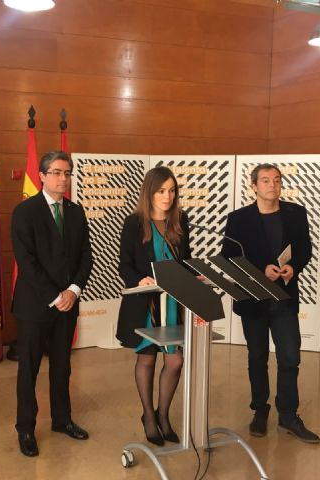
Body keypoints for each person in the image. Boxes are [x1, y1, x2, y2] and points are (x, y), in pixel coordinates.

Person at [221, 163, 320, 444]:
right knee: (257, 357)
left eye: (276, 180)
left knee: (290, 356)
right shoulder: (238, 219)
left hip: (284, 298)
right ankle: (260, 410)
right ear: (253, 186)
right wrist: (259, 270)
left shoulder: (295, 213)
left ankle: (288, 415)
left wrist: (294, 268)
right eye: (265, 180)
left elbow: (304, 249)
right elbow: (229, 256)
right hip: (253, 299)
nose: (272, 185)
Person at [11, 151, 93, 457]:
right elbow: (26, 262)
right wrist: (56, 296)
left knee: (62, 366)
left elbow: (85, 256)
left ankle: (62, 420)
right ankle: (25, 428)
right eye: (57, 172)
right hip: (35, 305)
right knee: (29, 369)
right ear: (42, 176)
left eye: (67, 173)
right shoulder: (25, 211)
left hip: (68, 304)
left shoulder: (75, 211)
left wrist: (73, 290)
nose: (63, 178)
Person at [116, 166, 192, 447]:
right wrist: (139, 279)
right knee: (147, 359)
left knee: (175, 361)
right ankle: (148, 416)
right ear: (149, 192)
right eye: (161, 191)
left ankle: (163, 414)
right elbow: (124, 264)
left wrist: (193, 275)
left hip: (172, 302)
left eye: (172, 191)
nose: (167, 196)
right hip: (145, 303)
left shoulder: (181, 221)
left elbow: (185, 260)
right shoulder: (134, 223)